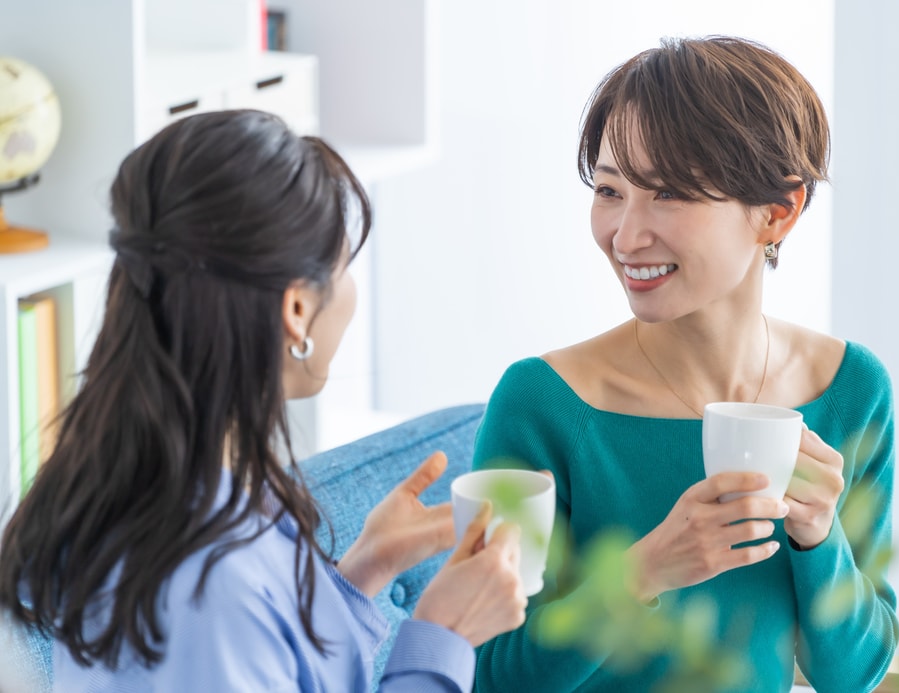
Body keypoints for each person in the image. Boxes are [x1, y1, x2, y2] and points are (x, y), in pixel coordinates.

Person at [0, 109, 527, 692]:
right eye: (343, 264)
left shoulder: (169, 495)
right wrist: (443, 637)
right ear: (297, 309)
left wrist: (359, 575)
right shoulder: (211, 577)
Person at [471, 36, 899, 692]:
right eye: (610, 190)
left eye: (669, 193)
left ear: (777, 212)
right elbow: (490, 675)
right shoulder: (542, 404)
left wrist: (820, 538)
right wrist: (643, 572)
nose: (625, 234)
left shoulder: (851, 389)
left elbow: (853, 675)